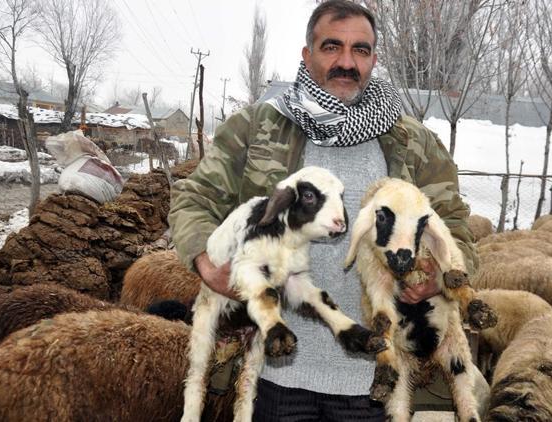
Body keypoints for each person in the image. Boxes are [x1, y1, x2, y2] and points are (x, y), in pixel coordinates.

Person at [168, 1, 477, 420]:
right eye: (332, 47)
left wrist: (438, 277)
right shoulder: (258, 128)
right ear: (307, 53)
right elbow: (195, 198)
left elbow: (455, 224)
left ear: (373, 59)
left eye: (361, 50)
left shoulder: (413, 144)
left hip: (373, 377)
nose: (346, 62)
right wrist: (206, 263)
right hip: (275, 374)